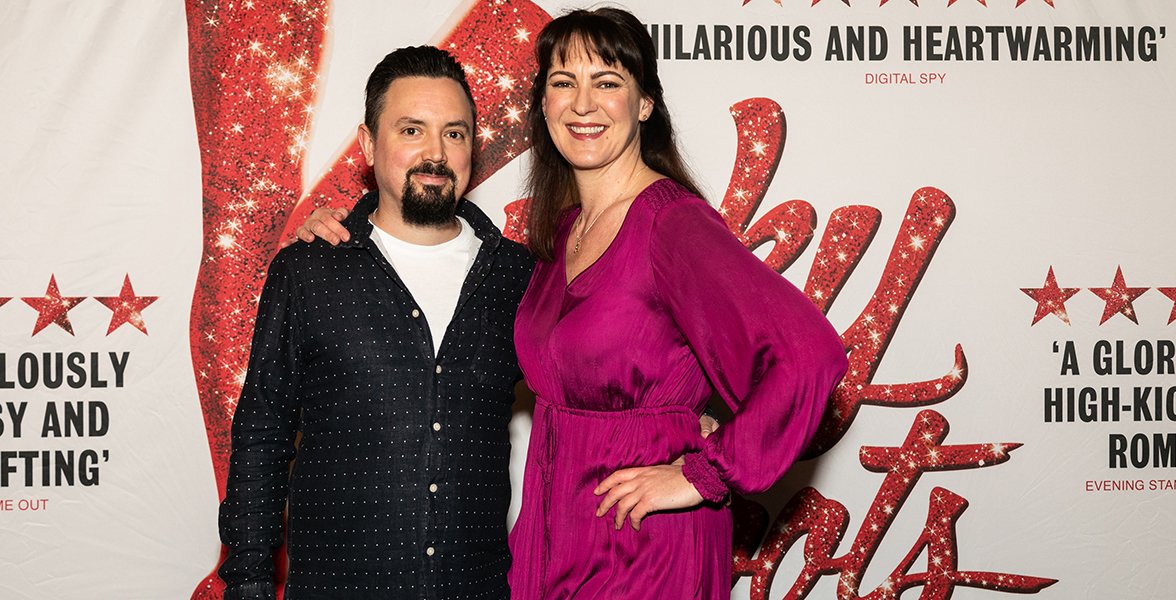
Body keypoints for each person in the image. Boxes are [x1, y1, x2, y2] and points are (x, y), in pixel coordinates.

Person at [297, 8, 846, 599]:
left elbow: (808, 355)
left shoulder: (672, 224)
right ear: (544, 104)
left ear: (644, 104)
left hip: (641, 541)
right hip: (556, 529)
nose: (583, 104)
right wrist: (351, 228)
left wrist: (704, 471)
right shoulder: (560, 236)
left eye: (607, 82)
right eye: (564, 82)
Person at [218, 46, 533, 599]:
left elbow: (587, 397)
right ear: (368, 144)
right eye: (412, 130)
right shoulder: (309, 270)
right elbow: (262, 435)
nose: (436, 153)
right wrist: (248, 581)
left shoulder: (518, 276)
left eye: (454, 133)